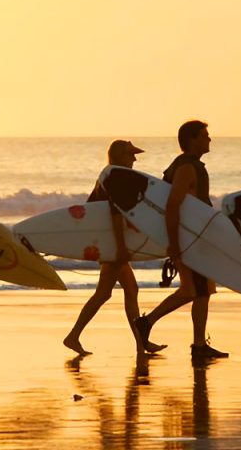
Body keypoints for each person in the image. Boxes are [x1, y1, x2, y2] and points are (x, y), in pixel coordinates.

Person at [134, 120, 228, 360]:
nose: (209, 139)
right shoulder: (186, 168)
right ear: (192, 140)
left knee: (197, 291)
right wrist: (174, 244)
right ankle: (189, 342)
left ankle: (157, 327)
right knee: (196, 290)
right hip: (189, 240)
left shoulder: (189, 166)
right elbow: (173, 206)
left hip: (194, 237)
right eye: (205, 135)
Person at [62, 140, 164, 356]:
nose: (134, 159)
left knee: (107, 293)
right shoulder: (115, 178)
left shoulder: (108, 176)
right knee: (117, 292)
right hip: (111, 245)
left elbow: (93, 210)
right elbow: (114, 215)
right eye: (130, 155)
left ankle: (74, 337)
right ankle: (140, 345)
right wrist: (119, 247)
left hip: (106, 243)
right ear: (119, 156)